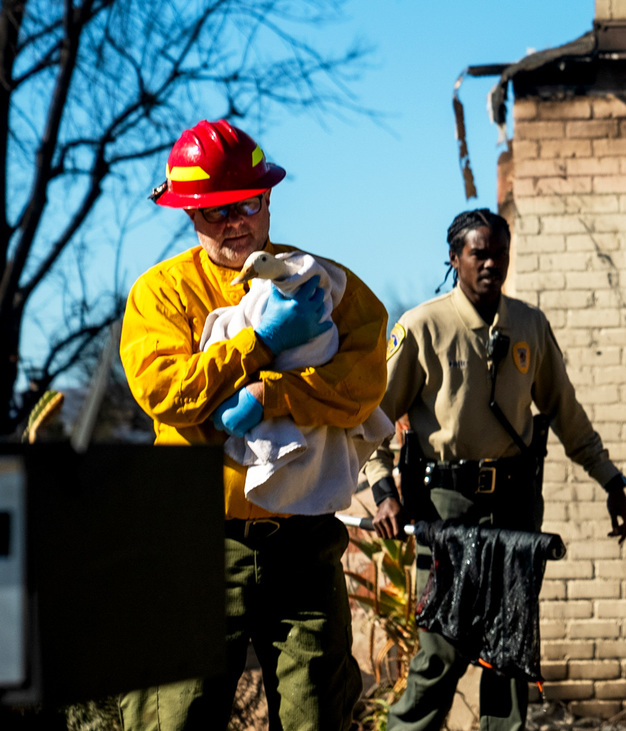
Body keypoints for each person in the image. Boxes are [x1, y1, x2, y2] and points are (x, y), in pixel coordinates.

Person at [119, 119, 387, 730]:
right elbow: (167, 392)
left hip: (302, 545)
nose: (236, 220)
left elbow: (364, 382)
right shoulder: (162, 294)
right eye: (216, 212)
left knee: (316, 715)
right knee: (176, 716)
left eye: (248, 203)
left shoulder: (321, 282)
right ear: (188, 214)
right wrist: (260, 342)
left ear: (268, 200)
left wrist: (270, 395)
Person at [364, 208, 626, 731]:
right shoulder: (423, 327)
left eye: (499, 253)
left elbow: (566, 412)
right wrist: (382, 490)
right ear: (455, 258)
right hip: (447, 505)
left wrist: (611, 481)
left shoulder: (529, 324)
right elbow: (369, 422)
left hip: (513, 504)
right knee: (442, 652)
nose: (491, 263)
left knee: (509, 653)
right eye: (478, 253)